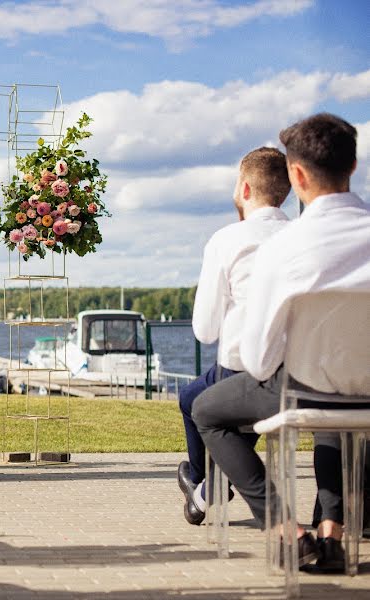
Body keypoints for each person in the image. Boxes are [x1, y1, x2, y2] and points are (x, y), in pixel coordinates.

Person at [192, 113, 370, 572]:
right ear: (352, 167)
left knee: (207, 410)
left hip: (302, 387)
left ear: (297, 174)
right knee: (337, 405)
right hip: (366, 392)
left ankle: (285, 530)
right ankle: (333, 531)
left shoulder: (284, 247)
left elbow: (258, 357)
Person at [177, 147, 290, 525]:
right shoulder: (301, 236)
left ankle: (207, 484)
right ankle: (206, 483)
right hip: (306, 374)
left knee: (198, 403)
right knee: (193, 395)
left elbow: (205, 330)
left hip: (244, 371)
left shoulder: (229, 240)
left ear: (243, 188)